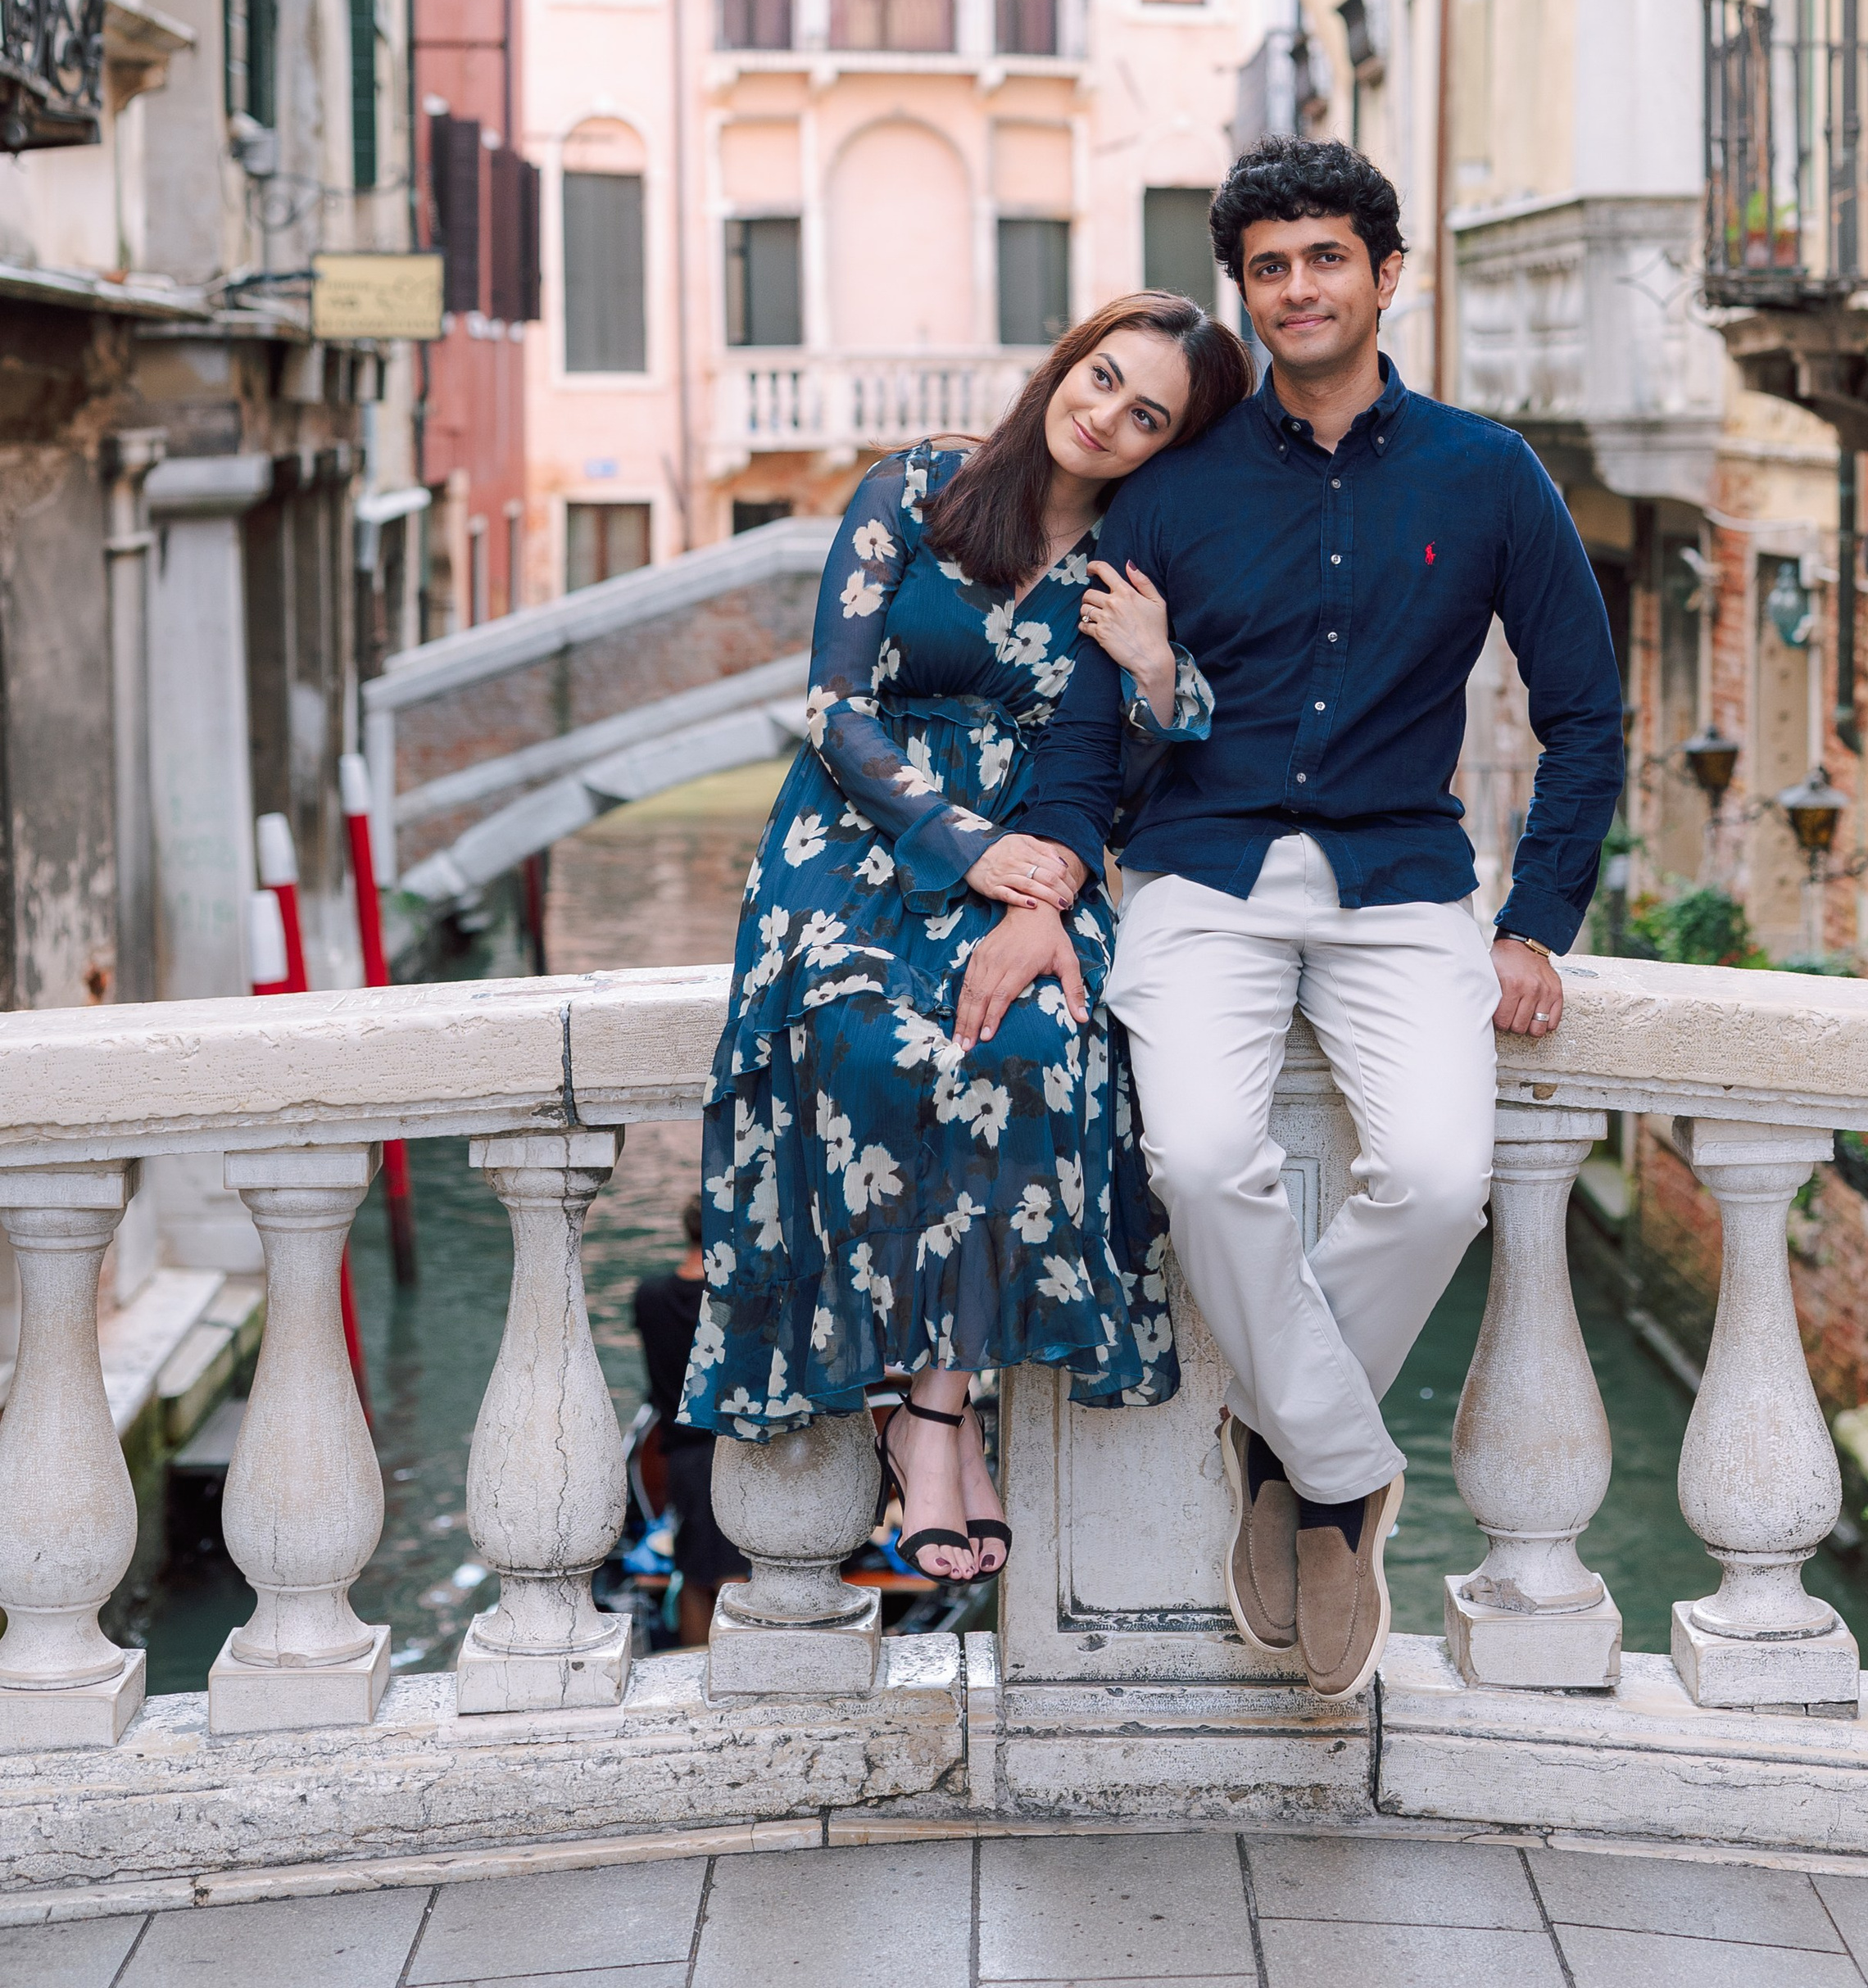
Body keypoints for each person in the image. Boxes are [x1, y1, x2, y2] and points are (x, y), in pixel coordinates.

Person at [1013, 137, 1625, 1700]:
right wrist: (1049, 885)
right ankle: (1342, 1475)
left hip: (1405, 880)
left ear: (1386, 272)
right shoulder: (1168, 489)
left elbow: (1586, 711)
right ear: (1245, 289)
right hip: (1201, 874)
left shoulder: (1491, 475)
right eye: (1269, 265)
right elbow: (1084, 729)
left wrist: (1537, 917)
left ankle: (1279, 1447)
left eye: (1325, 257)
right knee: (1201, 1158)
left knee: (1436, 1180)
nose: (1298, 287)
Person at [680, 290, 1251, 1583]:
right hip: (856, 841)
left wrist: (1157, 674)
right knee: (862, 1041)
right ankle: (936, 1423)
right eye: (1102, 378)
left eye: (1148, 415)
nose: (1106, 417)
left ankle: (932, 1416)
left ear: (1169, 446)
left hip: (1039, 865)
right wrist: (959, 840)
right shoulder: (913, 492)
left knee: (1034, 1048)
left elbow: (1129, 778)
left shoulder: (1131, 567)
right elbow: (832, 706)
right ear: (1067, 364)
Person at [632, 1198, 748, 1646]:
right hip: (733, 1451)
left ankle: (694, 1665)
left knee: (693, 1573)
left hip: (679, 1455)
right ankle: (737, 1666)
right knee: (734, 1574)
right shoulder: (735, 1297)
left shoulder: (649, 1296)